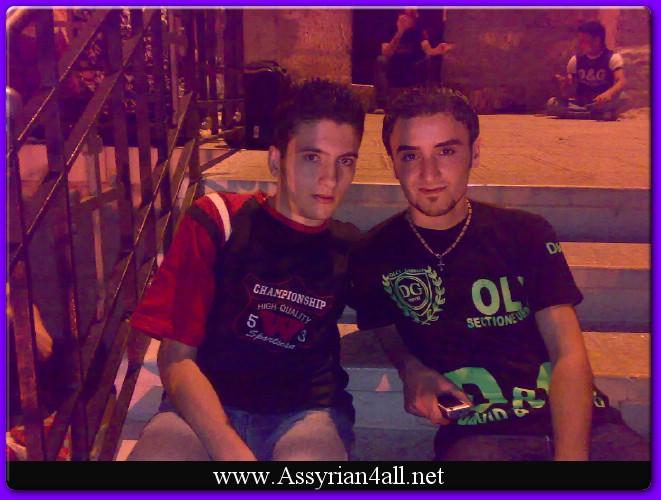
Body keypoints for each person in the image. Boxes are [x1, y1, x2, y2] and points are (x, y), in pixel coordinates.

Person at [349, 86, 649, 461]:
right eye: (411, 155)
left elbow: (568, 352)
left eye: (446, 151)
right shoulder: (374, 252)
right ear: (392, 162)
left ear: (474, 152)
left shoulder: (525, 233)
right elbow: (385, 327)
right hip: (482, 437)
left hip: (586, 427)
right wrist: (411, 369)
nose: (429, 173)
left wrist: (571, 460)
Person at [127, 79, 366, 461]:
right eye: (312, 157)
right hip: (203, 406)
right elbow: (175, 358)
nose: (330, 179)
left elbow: (393, 317)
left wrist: (413, 369)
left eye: (345, 161)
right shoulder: (219, 220)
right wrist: (232, 452)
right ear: (275, 160)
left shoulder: (350, 247)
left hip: (306, 412)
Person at [374, 8, 454, 112]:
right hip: (393, 69)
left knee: (427, 61)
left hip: (411, 69)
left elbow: (428, 51)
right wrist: (399, 32)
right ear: (402, 16)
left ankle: (425, 102)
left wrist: (438, 50)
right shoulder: (390, 28)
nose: (417, 16)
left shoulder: (417, 30)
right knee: (380, 60)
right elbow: (386, 54)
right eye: (413, 14)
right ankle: (382, 104)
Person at [547, 20, 626, 121]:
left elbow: (621, 81)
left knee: (622, 97)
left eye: (583, 41)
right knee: (552, 103)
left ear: (597, 40)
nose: (579, 44)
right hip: (582, 103)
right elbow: (570, 92)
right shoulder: (576, 60)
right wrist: (565, 86)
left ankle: (581, 114)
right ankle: (598, 115)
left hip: (601, 102)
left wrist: (608, 93)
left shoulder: (612, 58)